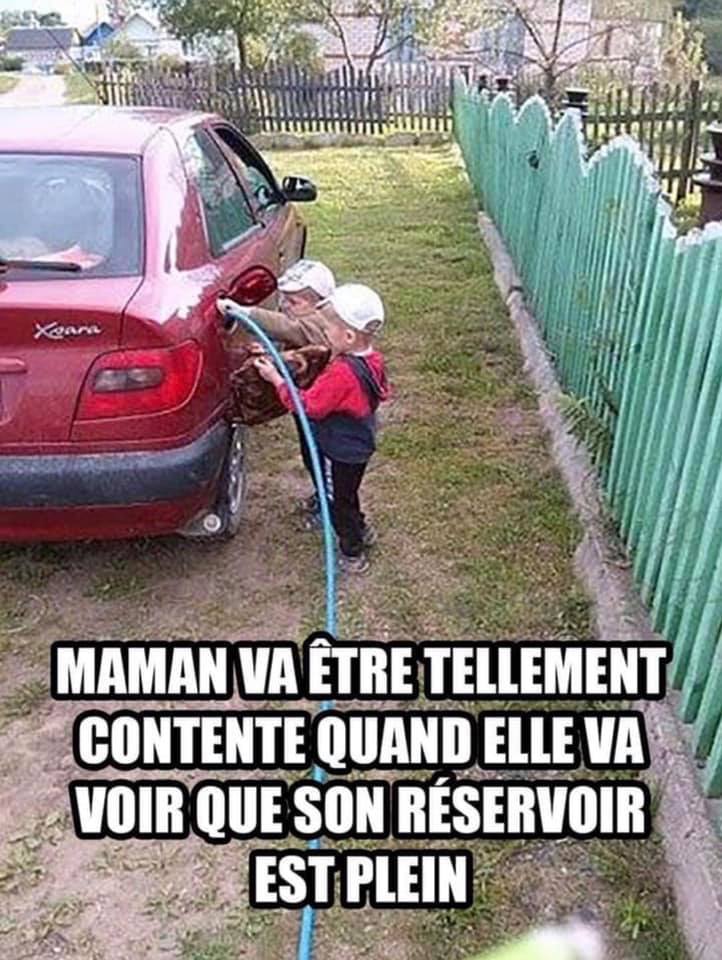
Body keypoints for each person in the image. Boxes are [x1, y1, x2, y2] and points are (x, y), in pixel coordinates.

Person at [254, 283, 390, 574]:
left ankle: (352, 552)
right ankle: (362, 530)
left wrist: (276, 379)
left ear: (348, 336)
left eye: (328, 330)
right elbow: (382, 391)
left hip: (341, 449)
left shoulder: (342, 373)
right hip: (360, 443)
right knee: (347, 494)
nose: (325, 334)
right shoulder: (373, 360)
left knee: (339, 503)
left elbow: (307, 406)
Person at [227, 258, 336, 522]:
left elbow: (290, 329)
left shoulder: (319, 322)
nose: (286, 306)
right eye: (284, 299)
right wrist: (267, 352)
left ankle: (331, 507)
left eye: (293, 301)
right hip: (306, 403)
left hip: (324, 412)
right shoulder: (311, 320)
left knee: (324, 456)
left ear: (319, 302)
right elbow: (294, 350)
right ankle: (323, 495)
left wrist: (245, 312)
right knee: (311, 454)